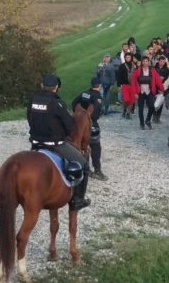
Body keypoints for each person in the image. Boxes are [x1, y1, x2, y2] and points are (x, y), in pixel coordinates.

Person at [27, 74, 90, 211]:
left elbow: (29, 119)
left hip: (36, 143)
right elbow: (69, 126)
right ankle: (78, 200)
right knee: (84, 165)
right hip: (55, 144)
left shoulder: (32, 100)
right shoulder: (58, 103)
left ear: (42, 85)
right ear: (56, 88)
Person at [72, 77, 108, 181]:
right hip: (90, 125)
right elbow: (95, 112)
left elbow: (74, 103)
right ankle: (97, 171)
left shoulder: (84, 93)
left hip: (79, 125)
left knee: (83, 147)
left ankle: (85, 169)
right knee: (96, 147)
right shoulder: (97, 97)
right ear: (100, 85)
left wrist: (79, 116)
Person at [131, 56, 164, 130]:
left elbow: (158, 80)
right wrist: (135, 93)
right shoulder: (137, 71)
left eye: (146, 61)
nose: (145, 63)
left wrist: (162, 89)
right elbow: (133, 83)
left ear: (149, 62)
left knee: (152, 106)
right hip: (140, 92)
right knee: (140, 109)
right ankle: (142, 123)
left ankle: (148, 120)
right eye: (144, 61)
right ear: (142, 62)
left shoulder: (152, 71)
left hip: (149, 91)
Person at [118, 52, 135, 119]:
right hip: (125, 85)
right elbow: (119, 76)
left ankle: (128, 112)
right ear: (125, 58)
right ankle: (125, 109)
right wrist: (119, 85)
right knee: (126, 99)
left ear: (131, 58)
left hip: (132, 86)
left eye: (129, 57)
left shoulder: (134, 66)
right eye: (127, 57)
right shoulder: (122, 66)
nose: (128, 58)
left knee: (131, 100)